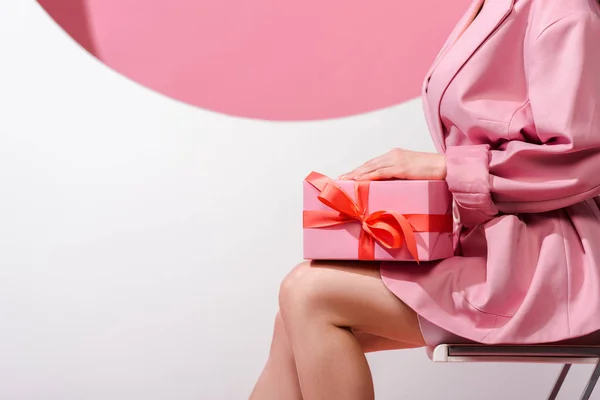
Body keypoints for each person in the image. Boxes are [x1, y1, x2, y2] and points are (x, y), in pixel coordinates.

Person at [249, 0, 600, 398]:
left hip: (557, 263)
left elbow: (582, 157)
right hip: (498, 245)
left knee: (308, 294)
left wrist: (447, 167)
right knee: (292, 316)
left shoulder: (562, 8)